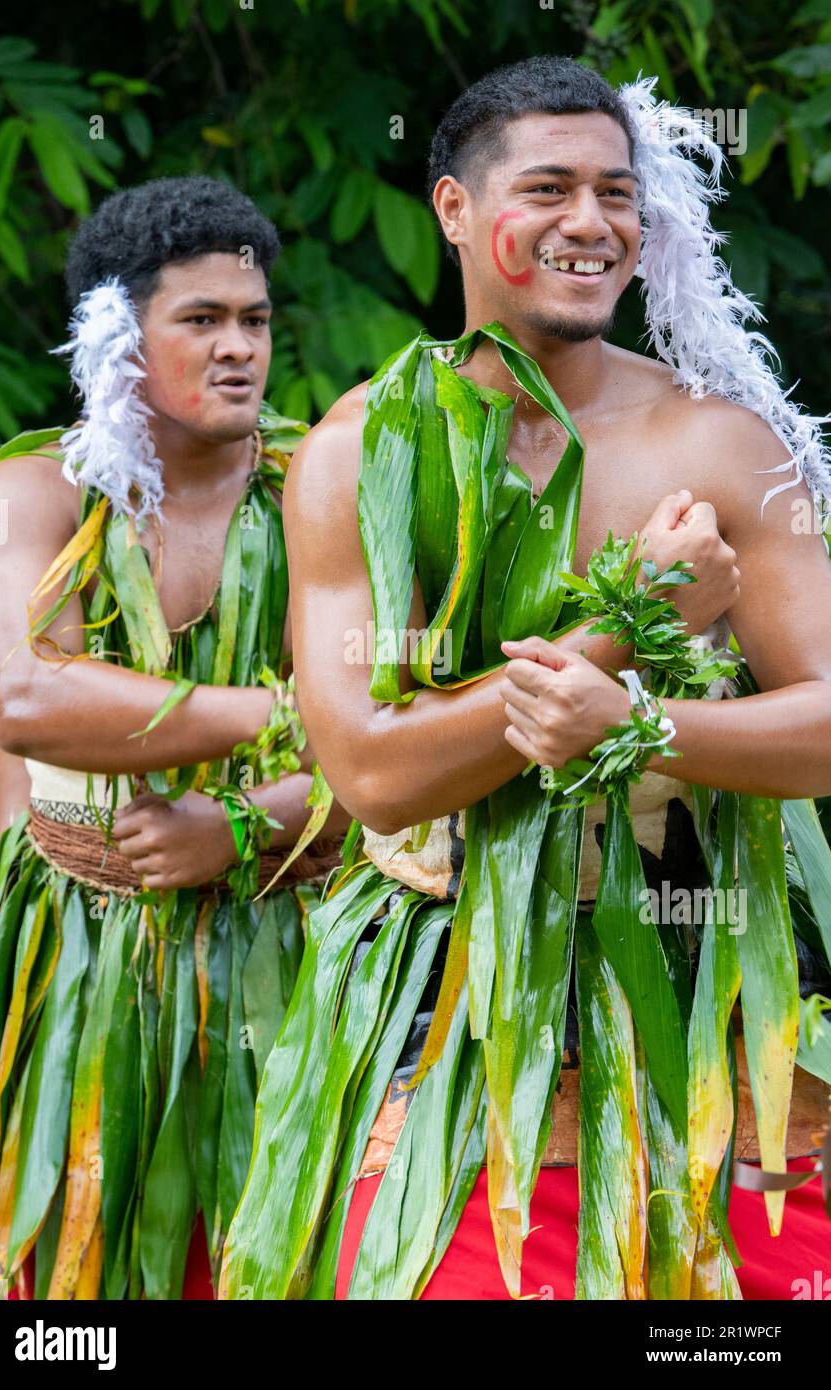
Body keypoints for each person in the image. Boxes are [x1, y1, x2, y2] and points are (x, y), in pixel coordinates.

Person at [220, 58, 831, 1301]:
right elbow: (375, 774)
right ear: (452, 208)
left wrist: (640, 727)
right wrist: (628, 625)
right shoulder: (355, 453)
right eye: (546, 187)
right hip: (443, 1035)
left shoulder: (713, 441)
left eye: (615, 192)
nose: (590, 223)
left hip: (705, 1007)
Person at [0, 174, 347, 1300]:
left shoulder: (318, 492)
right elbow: (23, 700)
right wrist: (276, 714)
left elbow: (399, 737)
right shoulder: (34, 491)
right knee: (59, 1283)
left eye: (256, 321)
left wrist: (240, 823)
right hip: (62, 953)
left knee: (269, 1262)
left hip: (286, 943)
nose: (240, 348)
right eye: (201, 320)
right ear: (114, 337)